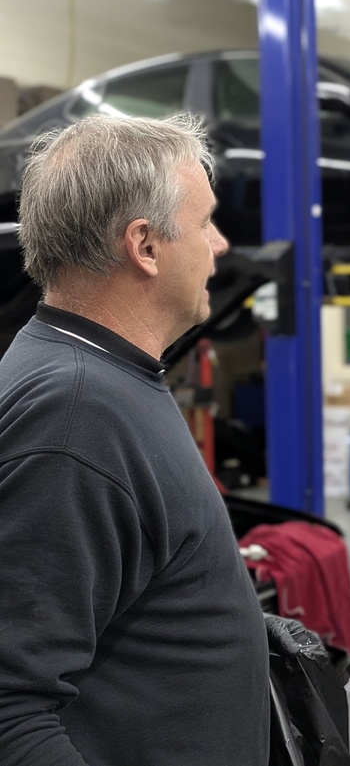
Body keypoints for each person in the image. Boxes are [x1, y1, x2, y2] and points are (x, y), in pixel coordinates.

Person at [0, 115, 269, 765]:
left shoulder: (99, 375)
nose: (222, 244)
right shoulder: (74, 415)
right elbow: (12, 711)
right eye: (205, 222)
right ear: (145, 245)